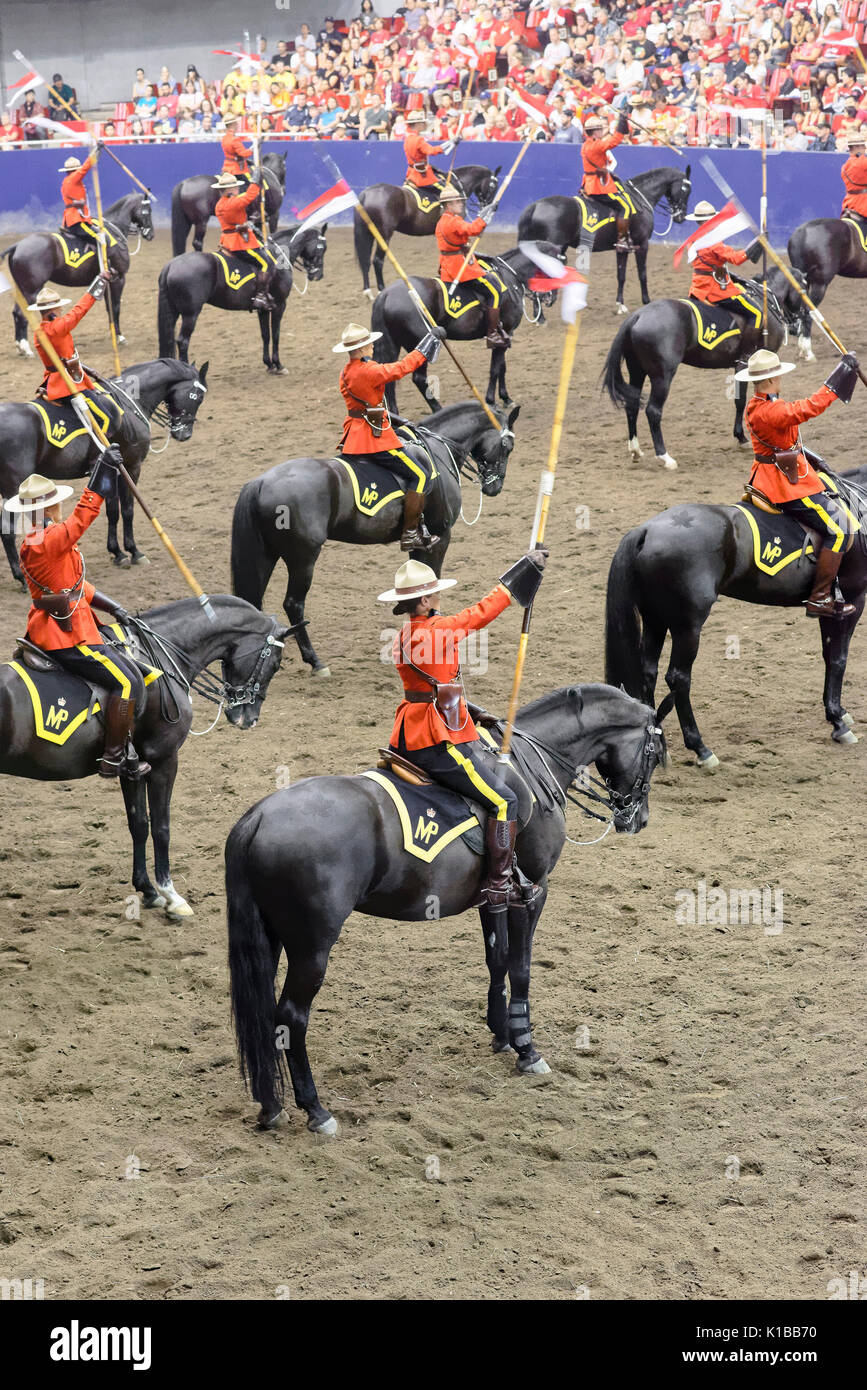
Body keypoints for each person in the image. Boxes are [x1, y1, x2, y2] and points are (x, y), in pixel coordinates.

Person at [378, 550, 547, 908]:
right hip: (435, 737)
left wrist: (469, 710)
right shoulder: (437, 631)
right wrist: (515, 580)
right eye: (434, 593)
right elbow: (479, 615)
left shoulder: (403, 636)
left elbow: (429, 685)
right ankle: (499, 884)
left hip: (410, 729)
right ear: (424, 599)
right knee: (506, 800)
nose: (439, 597)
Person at [4, 464, 151, 780]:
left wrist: (114, 607)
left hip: (66, 622)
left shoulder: (39, 539)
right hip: (66, 635)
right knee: (125, 683)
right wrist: (101, 476)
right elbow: (82, 519)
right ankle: (115, 758)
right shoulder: (46, 540)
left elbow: (73, 584)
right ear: (48, 507)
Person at [738, 348, 859, 618]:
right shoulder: (772, 410)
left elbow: (785, 440)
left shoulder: (758, 403)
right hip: (783, 483)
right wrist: (838, 378)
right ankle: (819, 598)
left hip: (778, 470)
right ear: (770, 380)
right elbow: (809, 407)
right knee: (839, 529)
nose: (780, 380)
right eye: (778, 375)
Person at [334, 321, 443, 551]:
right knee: (421, 476)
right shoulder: (369, 371)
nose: (373, 346)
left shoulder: (346, 371)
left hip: (354, 434)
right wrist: (426, 344)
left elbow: (364, 405)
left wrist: (395, 418)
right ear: (362, 349)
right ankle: (410, 534)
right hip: (373, 438)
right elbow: (402, 368)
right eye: (369, 343)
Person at [435, 184, 507, 349]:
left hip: (450, 263)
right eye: (457, 202)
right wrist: (485, 216)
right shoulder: (452, 221)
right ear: (448, 205)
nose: (461, 204)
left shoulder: (444, 221)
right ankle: (492, 334)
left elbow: (462, 236)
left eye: (460, 201)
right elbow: (473, 229)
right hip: (459, 268)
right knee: (495, 292)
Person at [29, 276, 110, 403]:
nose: (61, 309)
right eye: (58, 307)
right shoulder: (57, 327)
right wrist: (99, 283)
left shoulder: (39, 331)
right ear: (52, 311)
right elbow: (79, 310)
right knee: (105, 417)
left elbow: (63, 359)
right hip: (66, 383)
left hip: (53, 380)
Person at [684, 200, 763, 327]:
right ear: (709, 221)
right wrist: (756, 246)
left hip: (698, 288)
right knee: (757, 313)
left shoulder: (693, 240)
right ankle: (750, 346)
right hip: (715, 290)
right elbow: (737, 259)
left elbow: (709, 264)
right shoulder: (713, 242)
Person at [212, 170, 274, 311]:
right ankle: (260, 295)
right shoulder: (232, 203)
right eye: (235, 187)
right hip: (239, 243)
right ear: (228, 190)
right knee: (267, 264)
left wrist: (246, 225)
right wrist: (256, 182)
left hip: (229, 239)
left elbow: (233, 221)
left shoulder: (220, 204)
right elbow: (249, 196)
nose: (237, 188)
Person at [580, 112, 633, 250]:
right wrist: (621, 121)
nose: (601, 132)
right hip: (597, 185)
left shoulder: (586, 144)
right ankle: (622, 240)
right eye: (600, 130)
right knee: (624, 207)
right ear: (595, 131)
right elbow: (614, 141)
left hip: (589, 182)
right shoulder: (596, 145)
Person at [58, 143, 103, 245]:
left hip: (74, 217)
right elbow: (86, 166)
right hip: (76, 219)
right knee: (100, 240)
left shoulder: (67, 180)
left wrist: (98, 151)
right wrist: (97, 150)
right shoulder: (73, 178)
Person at [403, 108, 449, 190]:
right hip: (421, 175)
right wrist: (448, 145)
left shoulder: (408, 138)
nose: (424, 125)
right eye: (422, 123)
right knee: (444, 190)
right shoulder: (418, 139)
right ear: (417, 124)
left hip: (411, 172)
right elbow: (431, 151)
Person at [220, 112, 253, 187]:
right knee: (248, 187)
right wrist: (253, 149)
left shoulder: (225, 138)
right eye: (236, 123)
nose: (238, 125)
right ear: (233, 124)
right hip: (236, 169)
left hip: (226, 167)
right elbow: (244, 154)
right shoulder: (234, 139)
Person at [840, 131, 867, 221]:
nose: (864, 149)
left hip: (849, 203)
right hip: (863, 204)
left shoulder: (844, 167)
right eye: (863, 146)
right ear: (857, 147)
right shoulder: (863, 162)